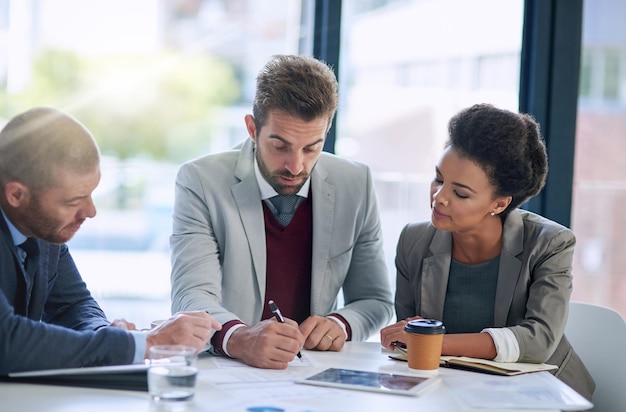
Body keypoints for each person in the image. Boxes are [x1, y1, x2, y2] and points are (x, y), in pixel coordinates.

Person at [170, 54, 393, 369]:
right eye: (280, 146)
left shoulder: (355, 183)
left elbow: (376, 300)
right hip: (229, 369)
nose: (296, 166)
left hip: (314, 370)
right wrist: (240, 338)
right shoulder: (201, 181)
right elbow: (190, 296)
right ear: (252, 129)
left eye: (311, 147)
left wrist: (341, 323)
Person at [379, 103, 594, 412]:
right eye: (438, 179)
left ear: (500, 202)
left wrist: (436, 343)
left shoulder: (550, 243)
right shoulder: (415, 241)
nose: (439, 197)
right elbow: (410, 342)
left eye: (461, 193)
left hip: (542, 398)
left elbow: (538, 341)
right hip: (450, 395)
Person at [0, 106, 221, 375]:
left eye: (91, 194)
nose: (90, 212)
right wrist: (143, 344)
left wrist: (103, 331)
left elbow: (73, 304)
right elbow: (7, 340)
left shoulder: (44, 228)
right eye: (73, 202)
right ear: (16, 195)